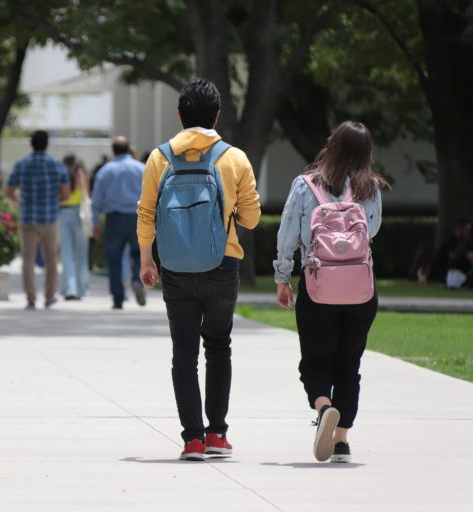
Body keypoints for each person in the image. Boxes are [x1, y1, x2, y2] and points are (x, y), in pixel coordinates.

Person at [137, 78, 261, 461]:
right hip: (222, 263)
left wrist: (146, 260)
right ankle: (216, 434)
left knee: (183, 353)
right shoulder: (234, 157)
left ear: (179, 115)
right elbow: (253, 219)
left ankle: (191, 439)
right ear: (218, 114)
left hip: (174, 266)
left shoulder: (160, 158)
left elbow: (145, 213)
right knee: (218, 346)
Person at [273, 120, 388, 463]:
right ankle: (341, 442)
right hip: (360, 290)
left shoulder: (306, 185)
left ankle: (324, 407)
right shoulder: (371, 188)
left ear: (332, 145)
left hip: (318, 286)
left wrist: (283, 277)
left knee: (314, 360)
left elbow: (287, 234)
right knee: (349, 364)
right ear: (367, 153)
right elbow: (373, 231)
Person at [6, 130, 70, 309]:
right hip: (49, 218)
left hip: (27, 217)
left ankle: (31, 297)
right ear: (47, 144)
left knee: (28, 258)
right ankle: (50, 297)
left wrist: (20, 201)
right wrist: (53, 201)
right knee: (50, 259)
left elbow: (9, 191)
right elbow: (66, 194)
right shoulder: (56, 165)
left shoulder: (21, 164)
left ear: (31, 144)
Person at [92, 136, 146, 309]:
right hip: (137, 217)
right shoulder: (141, 168)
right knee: (139, 255)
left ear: (113, 150)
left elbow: (96, 200)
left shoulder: (105, 171)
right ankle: (138, 280)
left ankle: (117, 298)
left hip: (113, 218)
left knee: (114, 259)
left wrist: (95, 224)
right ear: (128, 148)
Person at [59, 153, 91, 300]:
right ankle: (82, 289)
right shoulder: (83, 175)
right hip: (81, 215)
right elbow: (88, 196)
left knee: (66, 254)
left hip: (64, 214)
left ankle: (69, 289)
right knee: (82, 255)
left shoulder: (63, 175)